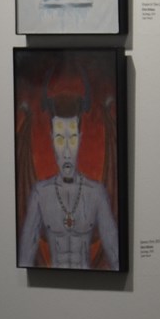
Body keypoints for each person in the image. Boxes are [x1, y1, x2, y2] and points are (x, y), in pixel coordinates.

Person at [16, 69, 119, 270]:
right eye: (59, 139)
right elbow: (25, 259)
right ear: (51, 140)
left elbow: (116, 257)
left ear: (80, 138)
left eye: (71, 139)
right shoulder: (40, 194)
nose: (66, 151)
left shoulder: (96, 194)